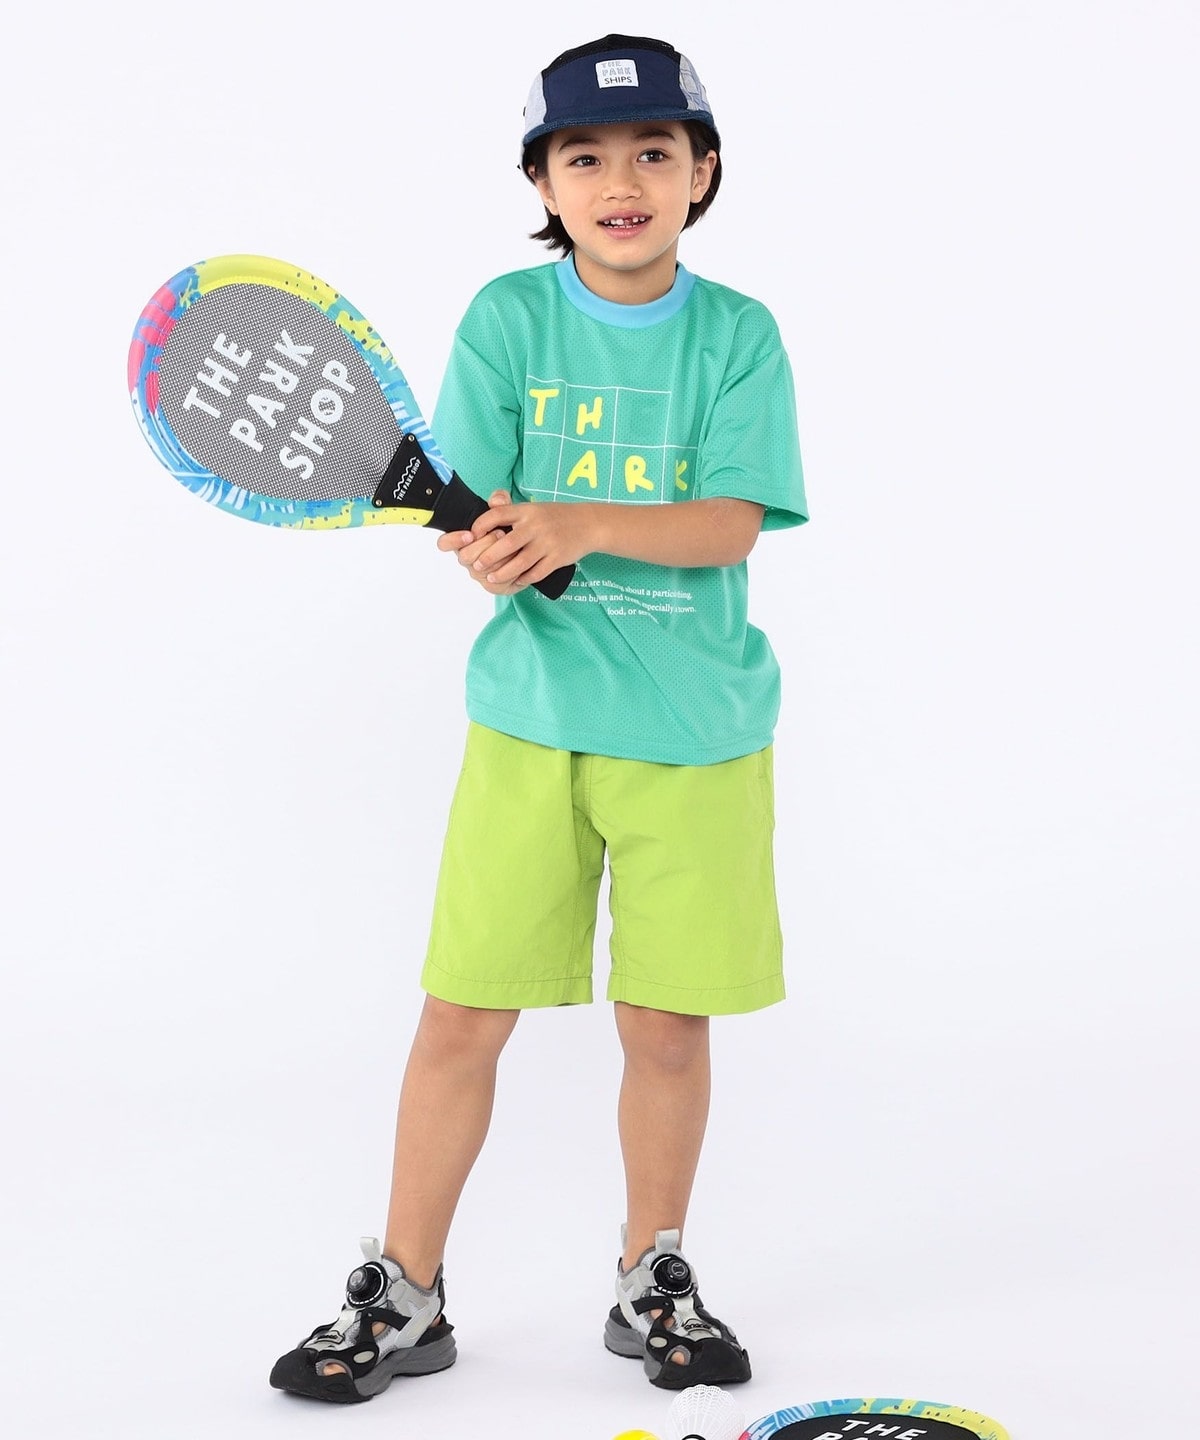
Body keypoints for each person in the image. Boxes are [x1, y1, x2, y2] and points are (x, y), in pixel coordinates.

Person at [269, 32, 807, 1405]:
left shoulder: (739, 335)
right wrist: (497, 544)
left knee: (667, 1027)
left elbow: (731, 521)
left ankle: (652, 1274)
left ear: (703, 173)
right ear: (543, 183)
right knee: (461, 1013)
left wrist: (579, 523)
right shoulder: (508, 320)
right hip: (532, 726)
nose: (622, 182)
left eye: (653, 153)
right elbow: (476, 506)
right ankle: (405, 1290)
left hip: (696, 736)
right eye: (585, 157)